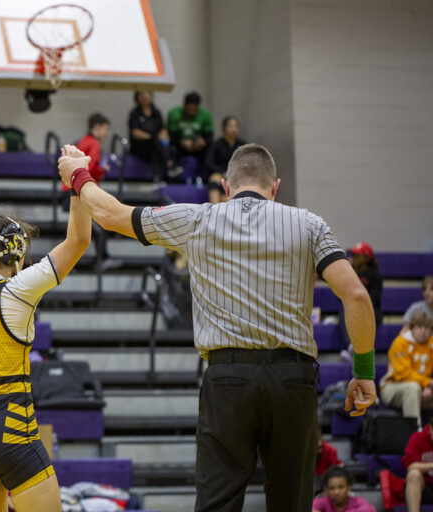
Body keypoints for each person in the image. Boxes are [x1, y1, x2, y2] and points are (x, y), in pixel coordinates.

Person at [58, 142, 377, 512]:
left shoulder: (198, 218)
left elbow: (111, 215)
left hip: (228, 380)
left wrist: (79, 174)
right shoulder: (309, 224)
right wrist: (364, 371)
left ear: (226, 186)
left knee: (216, 504)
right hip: (294, 380)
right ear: (275, 187)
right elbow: (356, 296)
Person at [0, 168, 92, 511]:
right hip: (10, 430)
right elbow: (79, 241)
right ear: (15, 252)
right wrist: (77, 181)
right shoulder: (18, 289)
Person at [379, 313, 433, 425]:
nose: (423, 331)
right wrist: (427, 383)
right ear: (412, 329)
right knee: (413, 388)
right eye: (419, 327)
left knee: (416, 387)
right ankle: (415, 433)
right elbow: (403, 374)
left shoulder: (431, 343)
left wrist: (429, 387)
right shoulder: (400, 343)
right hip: (392, 386)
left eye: (427, 328)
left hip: (425, 387)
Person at [339, 242, 383, 351]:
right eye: (353, 254)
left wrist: (359, 304)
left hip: (371, 310)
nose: (353, 257)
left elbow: (374, 299)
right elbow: (340, 295)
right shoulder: (350, 272)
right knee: (344, 310)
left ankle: (360, 347)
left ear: (366, 258)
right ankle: (350, 346)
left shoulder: (375, 275)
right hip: (352, 308)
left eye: (357, 255)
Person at [166, 91, 214, 184]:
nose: (192, 111)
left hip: (198, 148)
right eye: (190, 108)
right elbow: (172, 137)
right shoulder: (174, 114)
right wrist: (182, 142)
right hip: (180, 147)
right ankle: (172, 175)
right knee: (169, 148)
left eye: (194, 109)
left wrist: (202, 142)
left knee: (211, 148)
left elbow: (209, 137)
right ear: (184, 106)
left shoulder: (205, 115)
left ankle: (208, 178)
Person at [128, 91, 170, 183]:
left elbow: (163, 129)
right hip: (139, 146)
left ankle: (158, 178)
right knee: (154, 143)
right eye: (142, 94)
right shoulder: (135, 113)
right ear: (137, 98)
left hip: (154, 147)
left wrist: (161, 136)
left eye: (147, 93)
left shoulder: (156, 112)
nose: (145, 96)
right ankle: (169, 162)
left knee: (155, 151)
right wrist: (152, 138)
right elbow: (135, 132)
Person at [311, 466, 376, 512]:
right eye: (332, 488)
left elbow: (370, 509)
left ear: (348, 487)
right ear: (327, 489)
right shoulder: (324, 502)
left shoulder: (356, 501)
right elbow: (310, 508)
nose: (336, 492)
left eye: (341, 487)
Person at [403, 418, 433, 512]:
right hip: (425, 488)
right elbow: (411, 466)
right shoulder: (418, 438)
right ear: (431, 428)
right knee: (413, 474)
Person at [206, 116, 246, 181]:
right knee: (215, 179)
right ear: (224, 128)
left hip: (237, 175)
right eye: (230, 126)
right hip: (221, 173)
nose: (233, 129)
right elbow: (210, 163)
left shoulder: (243, 145)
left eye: (236, 126)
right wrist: (222, 172)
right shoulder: (216, 144)